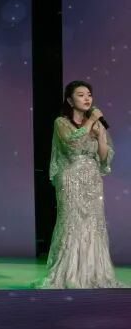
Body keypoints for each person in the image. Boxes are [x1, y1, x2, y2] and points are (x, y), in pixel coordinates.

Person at [38, 81, 125, 289]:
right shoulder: (61, 122)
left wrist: (101, 135)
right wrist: (91, 122)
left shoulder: (96, 124)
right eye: (81, 95)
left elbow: (104, 158)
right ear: (70, 100)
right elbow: (72, 145)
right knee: (72, 222)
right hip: (70, 177)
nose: (87, 98)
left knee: (93, 225)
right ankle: (69, 274)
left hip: (92, 179)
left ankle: (93, 274)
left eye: (89, 94)